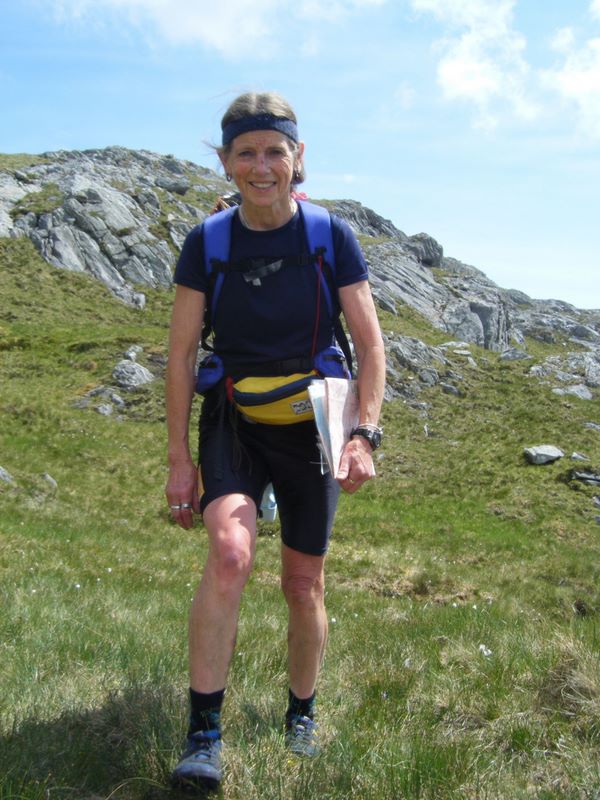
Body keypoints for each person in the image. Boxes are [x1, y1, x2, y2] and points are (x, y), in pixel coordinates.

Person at [165, 91, 385, 791]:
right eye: (246, 153)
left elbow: (371, 347)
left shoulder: (329, 237)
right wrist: (179, 459)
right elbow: (180, 355)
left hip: (313, 429)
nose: (261, 167)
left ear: (297, 157)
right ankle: (204, 735)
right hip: (234, 419)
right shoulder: (208, 242)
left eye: (274, 152)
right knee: (230, 555)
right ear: (226, 162)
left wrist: (363, 436)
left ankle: (301, 713)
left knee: (302, 583)